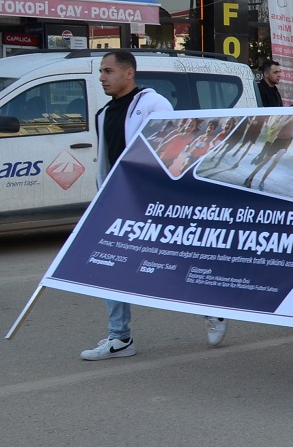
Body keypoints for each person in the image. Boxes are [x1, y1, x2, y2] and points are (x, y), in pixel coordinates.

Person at [81, 50, 228, 359]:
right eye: (101, 72)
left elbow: (169, 149)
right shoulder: (104, 114)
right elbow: (108, 163)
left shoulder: (152, 103)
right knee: (110, 264)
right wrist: (102, 197)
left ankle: (211, 309)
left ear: (128, 73)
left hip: (155, 203)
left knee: (174, 263)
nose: (102, 77)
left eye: (108, 71)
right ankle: (120, 338)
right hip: (119, 203)